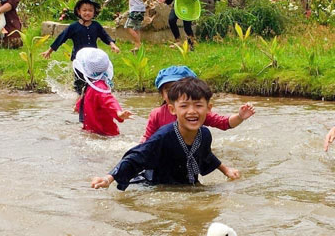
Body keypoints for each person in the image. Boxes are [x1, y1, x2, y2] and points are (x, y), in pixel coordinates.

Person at [91, 77, 241, 190]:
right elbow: (137, 156)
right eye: (184, 106)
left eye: (198, 105)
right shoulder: (163, 136)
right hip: (156, 186)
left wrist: (226, 170)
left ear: (209, 108)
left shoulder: (205, 134)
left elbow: (206, 155)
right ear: (172, 109)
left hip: (186, 185)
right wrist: (108, 178)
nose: (192, 111)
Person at [140, 65, 255, 143]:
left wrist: (240, 117)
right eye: (169, 90)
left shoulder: (197, 113)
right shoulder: (157, 114)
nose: (174, 94)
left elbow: (224, 123)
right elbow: (148, 139)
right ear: (161, 94)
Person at [42, 0, 120, 99]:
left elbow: (105, 36)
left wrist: (112, 44)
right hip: (78, 59)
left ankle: (93, 96)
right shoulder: (73, 27)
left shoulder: (96, 26)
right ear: (79, 11)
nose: (87, 13)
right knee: (79, 81)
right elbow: (61, 38)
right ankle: (80, 99)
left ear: (94, 12)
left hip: (92, 60)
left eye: (90, 10)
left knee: (94, 79)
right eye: (84, 10)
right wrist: (50, 50)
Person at [72, 48, 132, 136]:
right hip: (91, 129)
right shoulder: (91, 85)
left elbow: (109, 100)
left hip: (106, 134)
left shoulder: (100, 88)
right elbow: (86, 99)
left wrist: (118, 113)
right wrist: (77, 107)